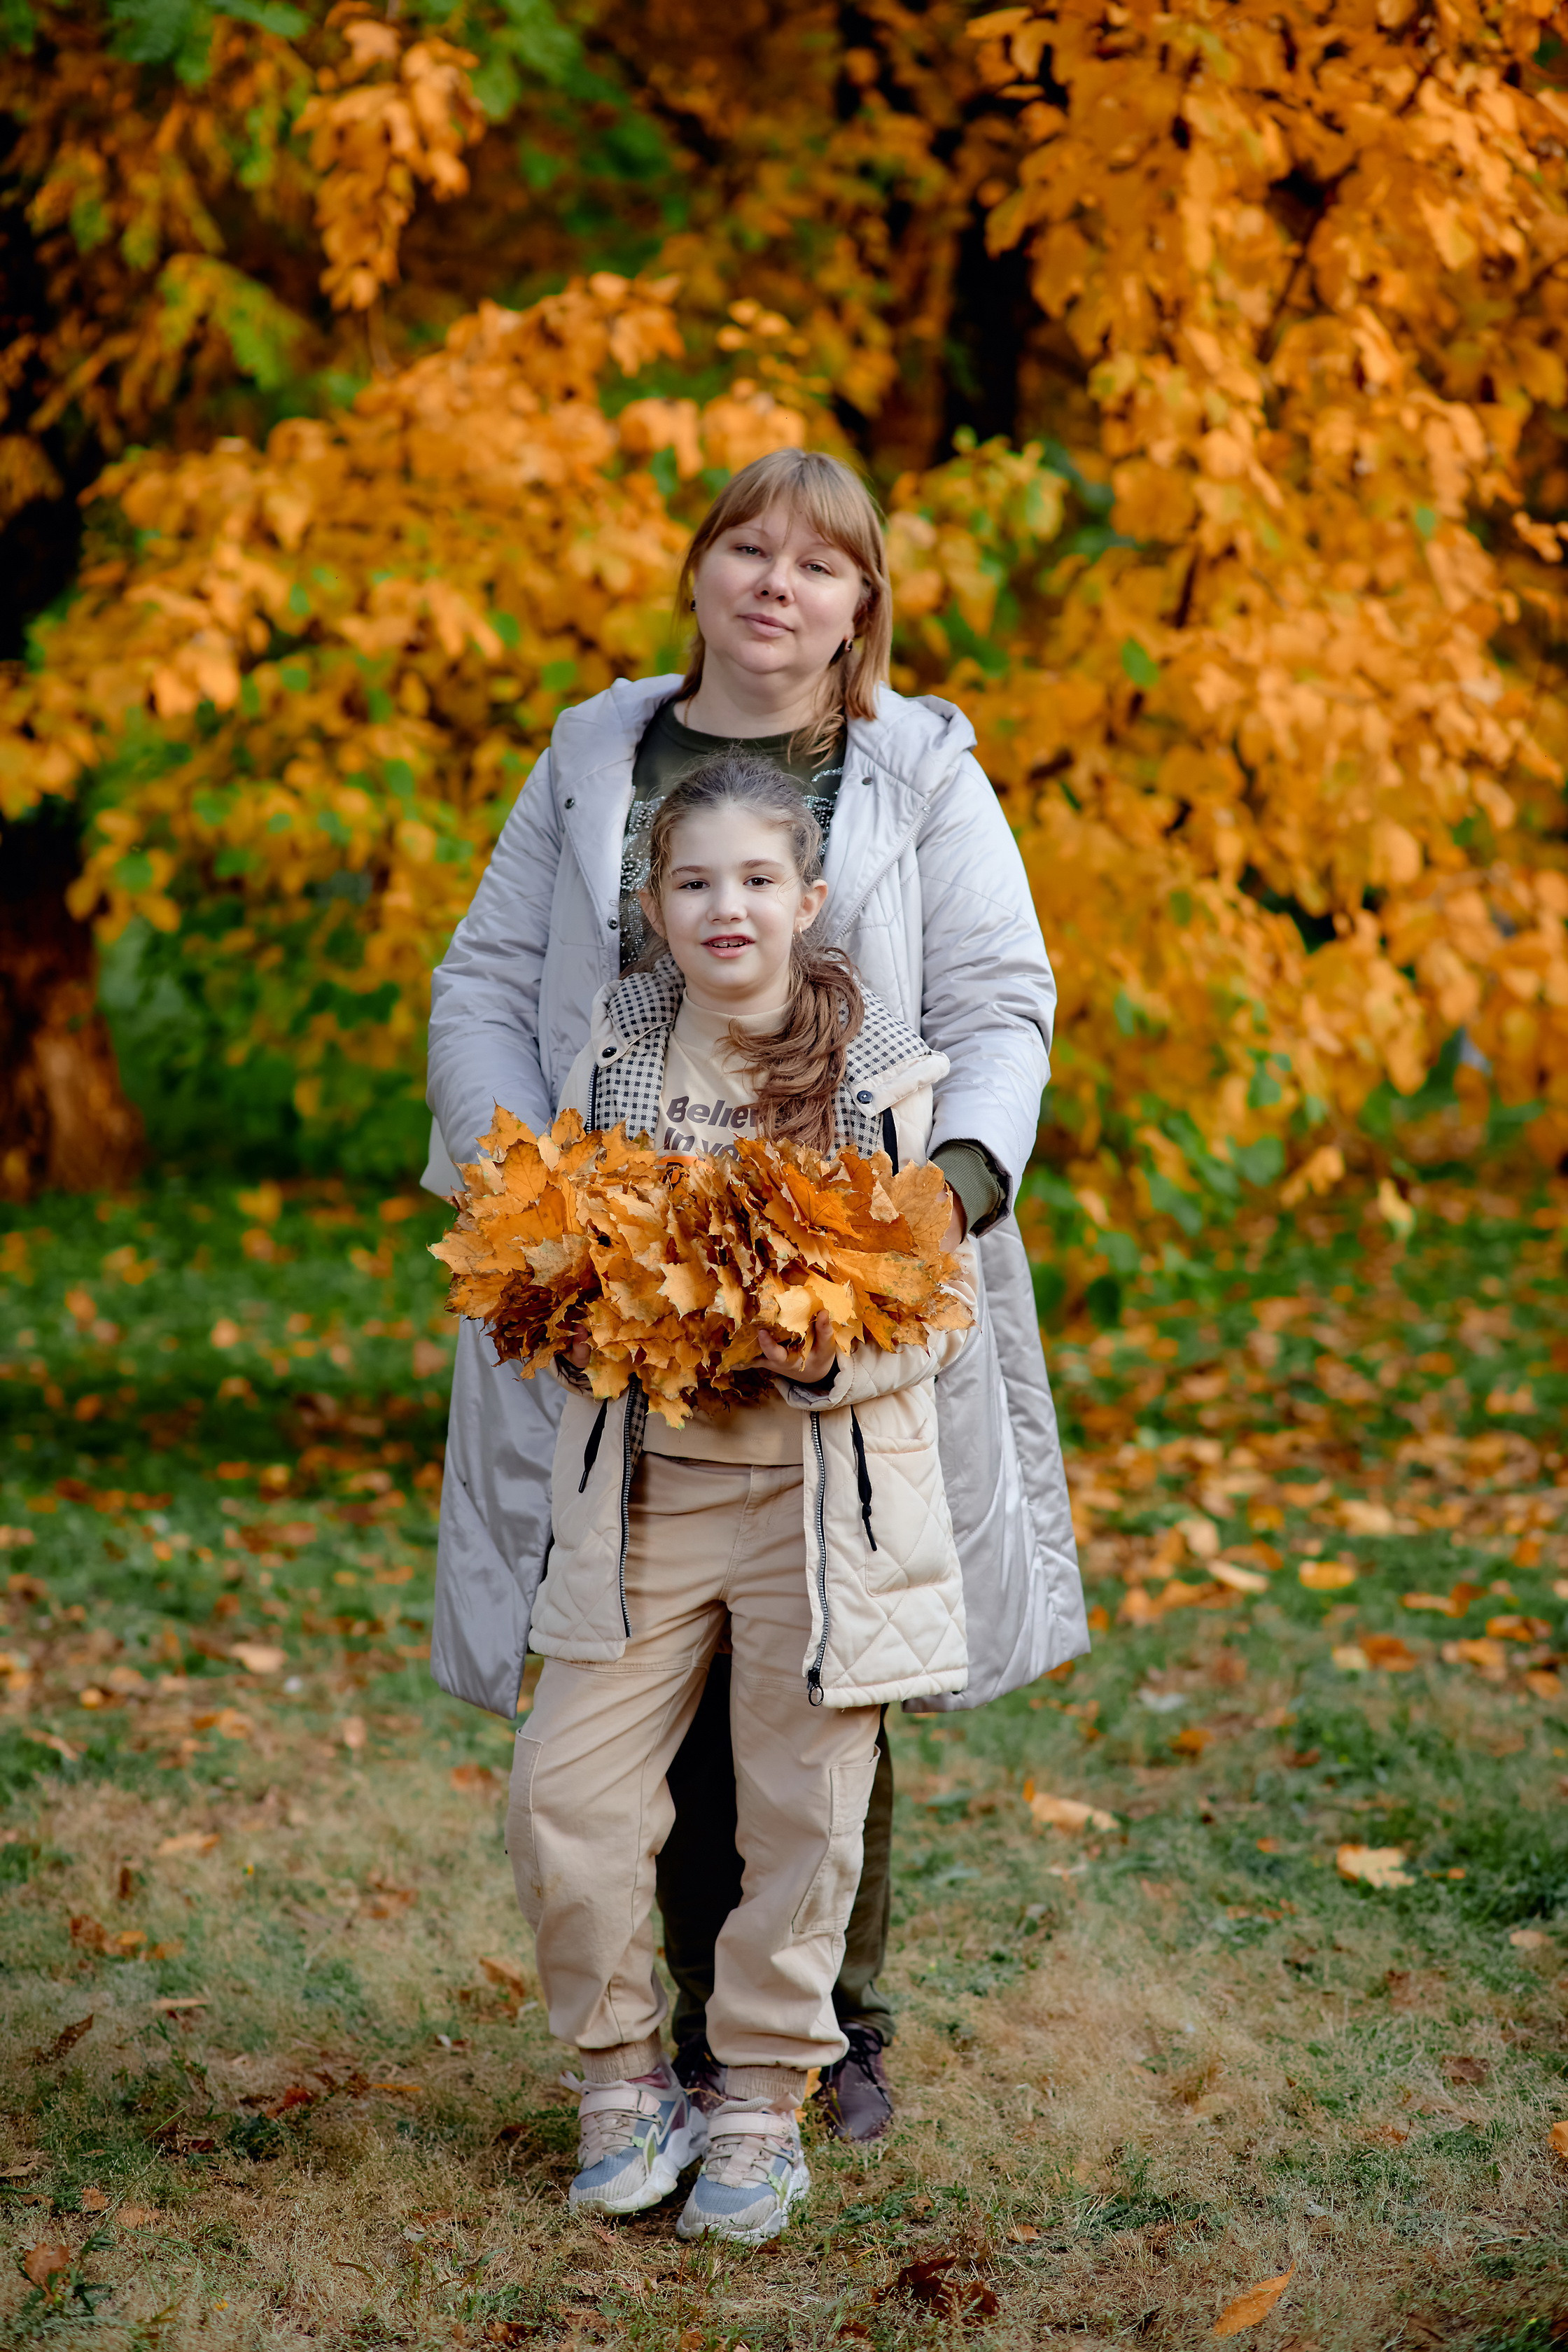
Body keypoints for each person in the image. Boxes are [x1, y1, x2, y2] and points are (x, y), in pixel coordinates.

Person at [423, 447, 1086, 2143]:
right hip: (617, 1292)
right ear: (700, 572)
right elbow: (491, 975)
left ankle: (823, 2031)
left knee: (826, 1661)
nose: (777, 583)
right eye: (747, 548)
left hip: (833, 1292)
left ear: (862, 604)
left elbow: (1005, 996)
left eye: (820, 562)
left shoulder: (916, 770)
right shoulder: (595, 756)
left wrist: (951, 1190)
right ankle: (663, 2050)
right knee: (628, 1651)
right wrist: (526, 1192)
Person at [517, 752, 975, 2241]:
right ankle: (625, 2079)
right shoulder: (613, 1057)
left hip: (813, 1508)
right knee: (567, 1797)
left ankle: (764, 2102)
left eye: (759, 879)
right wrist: (572, 1306)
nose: (728, 907)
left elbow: (930, 1307)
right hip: (643, 1498)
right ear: (653, 906)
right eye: (695, 882)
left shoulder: (887, 1080)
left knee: (800, 1810)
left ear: (811, 900)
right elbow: (563, 1254)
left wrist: (817, 1357)